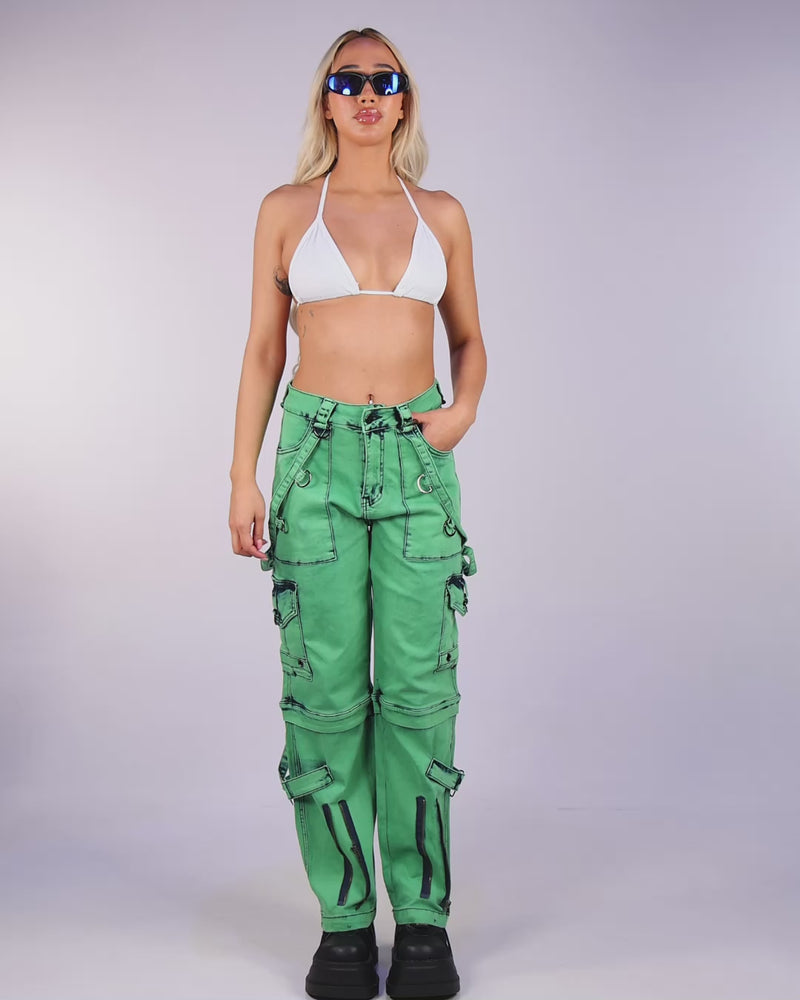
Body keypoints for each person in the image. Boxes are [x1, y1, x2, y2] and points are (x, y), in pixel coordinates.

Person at [228, 26, 487, 1000]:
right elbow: (264, 349)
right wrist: (242, 476)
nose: (368, 93)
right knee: (325, 698)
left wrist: (461, 410)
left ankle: (421, 923)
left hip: (415, 462)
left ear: (404, 97)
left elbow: (468, 339)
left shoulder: (443, 214)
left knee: (418, 695)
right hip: (315, 460)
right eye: (349, 80)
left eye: (385, 78)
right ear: (326, 100)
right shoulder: (286, 210)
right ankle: (343, 926)